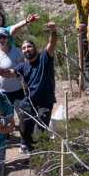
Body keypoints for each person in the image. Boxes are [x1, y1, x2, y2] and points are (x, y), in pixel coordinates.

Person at [15, 23, 59, 153]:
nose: (26, 49)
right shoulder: (23, 66)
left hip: (45, 102)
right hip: (29, 102)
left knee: (40, 131)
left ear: (35, 48)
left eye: (29, 46)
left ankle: (41, 154)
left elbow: (52, 43)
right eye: (23, 48)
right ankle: (29, 149)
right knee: (24, 128)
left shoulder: (45, 58)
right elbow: (11, 72)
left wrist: (53, 30)